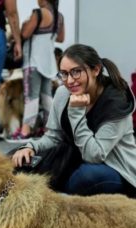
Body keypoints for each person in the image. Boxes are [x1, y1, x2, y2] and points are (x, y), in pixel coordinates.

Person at [12, 44, 136, 197]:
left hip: (116, 170)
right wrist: (31, 146)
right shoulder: (63, 93)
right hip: (74, 159)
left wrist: (76, 113)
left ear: (96, 70)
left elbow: (93, 155)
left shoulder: (117, 103)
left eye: (76, 72)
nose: (70, 80)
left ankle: (61, 203)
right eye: (64, 74)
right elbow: (54, 137)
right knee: (18, 159)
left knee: (86, 177)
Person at [11, 0, 65, 140]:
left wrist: (24, 24)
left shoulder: (38, 13)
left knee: (31, 96)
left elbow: (25, 34)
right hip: (49, 63)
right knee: (47, 96)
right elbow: (60, 38)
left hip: (33, 62)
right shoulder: (59, 16)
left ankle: (25, 131)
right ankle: (49, 129)